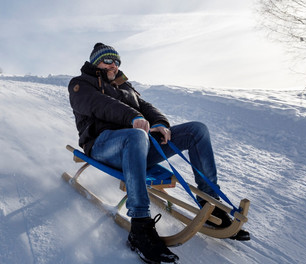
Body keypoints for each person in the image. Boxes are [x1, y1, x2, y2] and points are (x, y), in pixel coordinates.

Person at [68, 43, 249, 263]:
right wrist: (132, 118)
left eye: (117, 62)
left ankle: (209, 204)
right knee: (135, 136)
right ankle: (140, 226)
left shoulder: (124, 86)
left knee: (196, 130)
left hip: (138, 143)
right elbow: (100, 104)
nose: (114, 66)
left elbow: (146, 106)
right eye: (108, 60)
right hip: (103, 145)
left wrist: (160, 123)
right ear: (95, 61)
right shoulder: (80, 84)